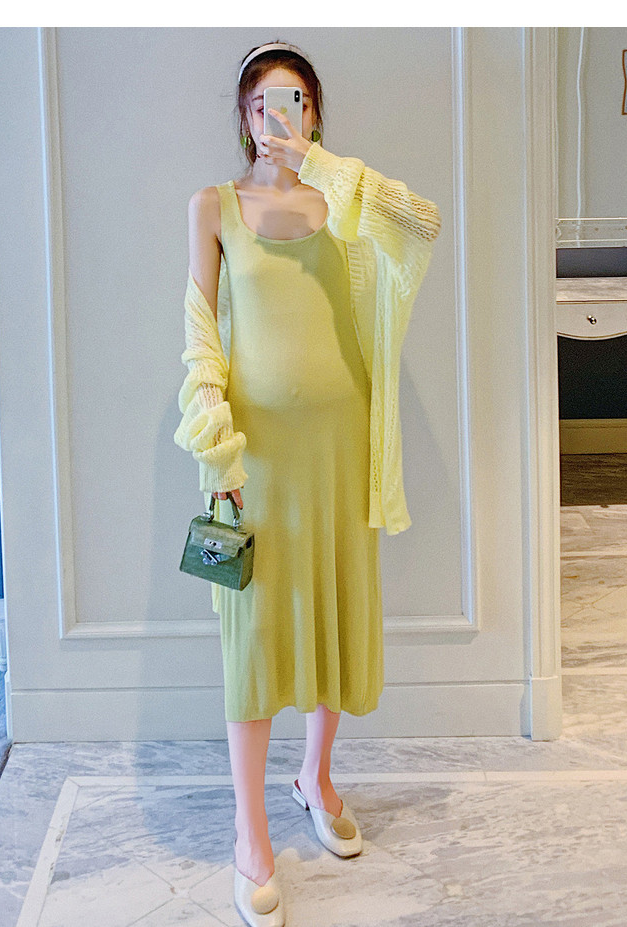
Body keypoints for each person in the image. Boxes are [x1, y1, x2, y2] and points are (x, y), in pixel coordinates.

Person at [174, 40, 441, 927]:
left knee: (331, 619)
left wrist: (319, 167)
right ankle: (249, 832)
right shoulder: (213, 207)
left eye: (291, 99)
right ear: (243, 117)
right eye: (259, 103)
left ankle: (315, 777)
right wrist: (217, 452)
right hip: (254, 462)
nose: (274, 116)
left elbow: (423, 225)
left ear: (314, 112)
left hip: (341, 452)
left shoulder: (348, 204)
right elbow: (201, 335)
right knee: (252, 642)